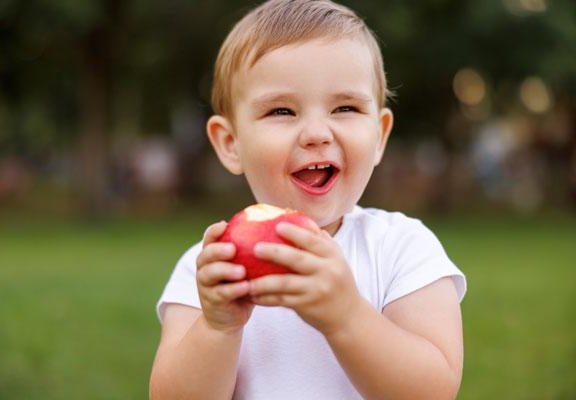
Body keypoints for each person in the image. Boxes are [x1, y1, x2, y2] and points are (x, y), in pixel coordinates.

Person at [149, 0, 467, 399]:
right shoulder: (213, 268)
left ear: (380, 135)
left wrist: (346, 316)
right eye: (282, 110)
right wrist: (217, 327)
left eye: (345, 107)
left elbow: (433, 391)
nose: (317, 132)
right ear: (231, 144)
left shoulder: (402, 249)